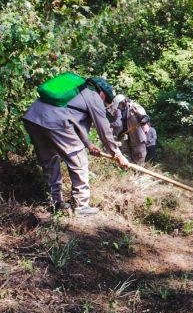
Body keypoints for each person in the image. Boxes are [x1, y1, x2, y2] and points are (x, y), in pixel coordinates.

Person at [23, 77, 129, 216]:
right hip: (56, 121)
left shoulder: (75, 92)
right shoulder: (94, 96)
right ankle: (82, 206)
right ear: (101, 93)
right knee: (79, 160)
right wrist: (117, 154)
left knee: (50, 160)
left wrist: (89, 145)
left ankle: (55, 201)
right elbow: (104, 129)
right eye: (105, 101)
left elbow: (76, 123)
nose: (104, 103)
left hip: (33, 118)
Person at [109, 94, 149, 166]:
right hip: (124, 136)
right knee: (126, 155)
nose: (121, 106)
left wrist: (143, 120)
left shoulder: (134, 107)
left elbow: (146, 117)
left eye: (121, 104)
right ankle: (128, 173)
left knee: (139, 154)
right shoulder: (118, 111)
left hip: (136, 135)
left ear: (124, 101)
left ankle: (138, 173)